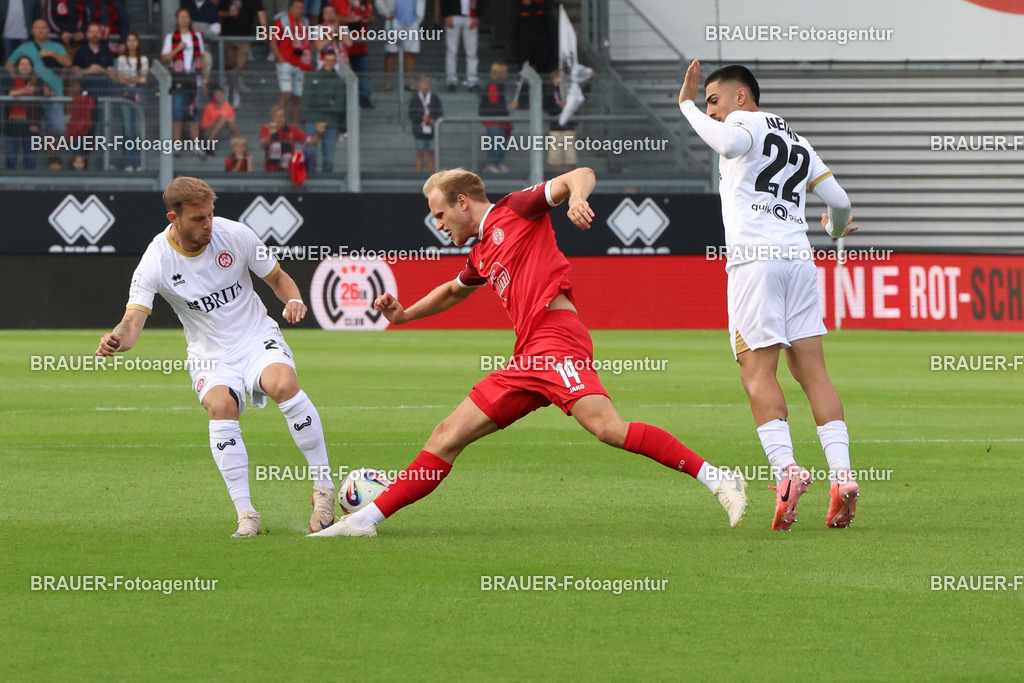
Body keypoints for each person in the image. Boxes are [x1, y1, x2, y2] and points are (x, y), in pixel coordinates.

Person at [309, 167, 749, 538]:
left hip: (557, 339)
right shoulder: (481, 252)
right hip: (527, 358)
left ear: (463, 202)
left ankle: (718, 478)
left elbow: (580, 173)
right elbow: (450, 292)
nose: (438, 225)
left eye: (440, 214)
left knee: (608, 428)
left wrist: (576, 198)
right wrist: (402, 315)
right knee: (446, 436)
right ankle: (366, 519)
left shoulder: (516, 208)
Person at [95, 177, 338, 537]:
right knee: (220, 408)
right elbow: (132, 323)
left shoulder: (235, 234)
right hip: (210, 354)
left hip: (256, 337)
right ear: (172, 217)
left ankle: (323, 489)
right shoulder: (155, 261)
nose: (208, 224)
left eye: (210, 214)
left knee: (283, 384)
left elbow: (278, 278)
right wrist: (117, 339)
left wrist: (294, 299)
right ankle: (247, 514)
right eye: (198, 219)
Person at [679, 60, 860, 530]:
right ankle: (842, 476)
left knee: (756, 370)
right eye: (705, 105)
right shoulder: (799, 141)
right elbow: (840, 204)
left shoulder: (740, 123)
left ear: (741, 97)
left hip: (754, 264)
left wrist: (684, 106)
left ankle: (787, 474)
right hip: (799, 259)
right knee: (813, 370)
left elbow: (727, 141)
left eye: (713, 100)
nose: (711, 110)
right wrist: (835, 231)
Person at [6, 18, 70, 157]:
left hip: (54, 94)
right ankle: (35, 162)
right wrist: (19, 81)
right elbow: (9, 65)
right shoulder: (25, 47)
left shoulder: (56, 46)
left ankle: (53, 158)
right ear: (33, 31)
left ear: (49, 30)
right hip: (30, 96)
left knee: (57, 127)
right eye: (38, 27)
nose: (41, 30)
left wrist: (51, 54)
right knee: (33, 129)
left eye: (44, 27)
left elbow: (68, 62)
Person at [161, 8, 204, 154]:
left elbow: (201, 57)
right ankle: (177, 144)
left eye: (186, 17)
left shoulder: (196, 36)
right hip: (178, 79)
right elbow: (164, 58)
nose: (183, 20)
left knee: (193, 112)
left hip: (193, 79)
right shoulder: (171, 37)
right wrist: (177, 48)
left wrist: (204, 79)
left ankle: (196, 145)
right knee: (178, 111)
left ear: (189, 19)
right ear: (177, 19)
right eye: (181, 17)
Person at [268, 0, 311, 125]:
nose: (300, 10)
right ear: (290, 8)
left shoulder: (304, 22)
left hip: (299, 63)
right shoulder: (281, 21)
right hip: (285, 62)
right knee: (286, 93)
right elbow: (273, 42)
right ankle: (277, 122)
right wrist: (281, 59)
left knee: (297, 96)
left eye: (302, 8)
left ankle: (294, 125)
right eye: (297, 7)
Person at [302, 50, 345, 173]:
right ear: (323, 60)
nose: (329, 63)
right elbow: (308, 100)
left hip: (330, 124)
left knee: (329, 160)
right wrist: (328, 101)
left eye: (332, 60)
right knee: (311, 156)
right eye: (327, 60)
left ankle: (328, 189)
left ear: (335, 62)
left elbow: (339, 106)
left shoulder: (339, 81)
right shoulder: (312, 77)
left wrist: (319, 102)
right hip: (312, 121)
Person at [218, 0, 267, 107]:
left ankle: (228, 87)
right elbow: (218, 12)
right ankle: (234, 89)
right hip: (227, 38)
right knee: (229, 65)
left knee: (240, 65)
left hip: (244, 38)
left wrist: (263, 29)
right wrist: (228, 14)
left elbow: (261, 12)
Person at [331, 0, 373, 107]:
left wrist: (365, 19)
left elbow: (371, 16)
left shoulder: (363, 1)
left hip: (361, 46)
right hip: (343, 48)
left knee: (362, 74)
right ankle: (341, 99)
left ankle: (364, 98)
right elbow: (331, 16)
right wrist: (349, 20)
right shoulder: (336, 1)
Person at [115, 32, 147, 170]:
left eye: (134, 40)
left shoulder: (143, 59)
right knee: (128, 130)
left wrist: (130, 78)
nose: (132, 43)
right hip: (126, 93)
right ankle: (128, 162)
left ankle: (138, 162)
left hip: (139, 93)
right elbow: (121, 80)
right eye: (129, 40)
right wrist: (136, 78)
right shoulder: (122, 59)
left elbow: (144, 80)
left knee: (138, 130)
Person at [260, 103, 322, 171]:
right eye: (277, 116)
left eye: (282, 116)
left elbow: (312, 142)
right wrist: (270, 134)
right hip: (272, 167)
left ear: (285, 118)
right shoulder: (267, 128)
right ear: (273, 118)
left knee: (309, 154)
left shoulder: (292, 129)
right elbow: (262, 145)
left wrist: (319, 132)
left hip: (289, 168)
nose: (280, 119)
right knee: (275, 146)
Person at [377, 0, 423, 91]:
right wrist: (386, 13)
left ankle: (409, 81)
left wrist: (419, 17)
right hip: (394, 20)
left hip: (412, 20)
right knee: (391, 52)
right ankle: (389, 81)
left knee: (410, 52)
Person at [5, 55, 40, 169]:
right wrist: (24, 90)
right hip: (13, 124)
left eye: (27, 64)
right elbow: (8, 94)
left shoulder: (38, 81)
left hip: (31, 124)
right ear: (17, 67)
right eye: (22, 64)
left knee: (31, 159)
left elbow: (41, 103)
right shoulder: (10, 80)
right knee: (11, 157)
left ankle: (30, 184)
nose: (25, 67)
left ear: (31, 67)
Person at [479, 61, 512, 173]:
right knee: (495, 141)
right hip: (493, 119)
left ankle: (499, 162)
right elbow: (494, 102)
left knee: (500, 141)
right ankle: (492, 163)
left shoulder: (499, 86)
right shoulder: (493, 86)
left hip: (499, 119)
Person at [440, 0, 477, 92]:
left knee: (472, 52)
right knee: (452, 51)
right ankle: (451, 80)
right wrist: (446, 15)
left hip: (470, 16)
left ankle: (472, 80)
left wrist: (477, 15)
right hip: (453, 15)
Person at [543, 70, 575, 173]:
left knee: (570, 154)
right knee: (556, 155)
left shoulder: (569, 89)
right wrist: (554, 87)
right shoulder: (550, 91)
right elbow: (546, 106)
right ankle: (559, 177)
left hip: (568, 126)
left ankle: (572, 177)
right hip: (556, 126)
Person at [408, 73, 441, 173]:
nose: (425, 85)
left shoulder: (434, 98)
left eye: (427, 83)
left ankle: (432, 177)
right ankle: (418, 176)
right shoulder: (414, 98)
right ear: (418, 84)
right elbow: (411, 114)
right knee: (420, 153)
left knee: (431, 154)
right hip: (419, 129)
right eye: (423, 83)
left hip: (432, 130)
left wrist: (432, 120)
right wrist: (421, 118)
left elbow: (439, 112)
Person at [200, 84, 241, 152]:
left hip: (224, 131)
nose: (219, 96)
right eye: (217, 95)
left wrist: (223, 121)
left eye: (221, 94)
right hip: (209, 131)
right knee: (223, 119)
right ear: (213, 97)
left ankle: (240, 144)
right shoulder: (209, 107)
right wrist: (217, 121)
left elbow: (232, 122)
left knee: (227, 120)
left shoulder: (228, 107)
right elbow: (204, 126)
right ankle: (209, 143)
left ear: (224, 95)